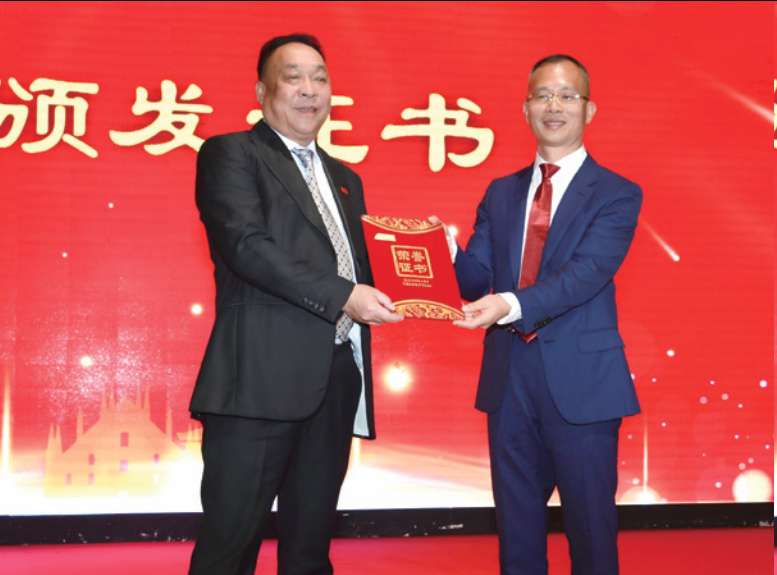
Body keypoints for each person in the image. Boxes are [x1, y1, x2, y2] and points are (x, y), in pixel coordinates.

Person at [187, 33, 402, 575]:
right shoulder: (232, 154)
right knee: (229, 546)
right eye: (294, 77)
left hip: (334, 381)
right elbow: (246, 246)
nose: (310, 90)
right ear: (263, 91)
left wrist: (423, 261)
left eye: (320, 78)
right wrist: (344, 296)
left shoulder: (346, 179)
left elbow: (357, 268)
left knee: (309, 549)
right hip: (256, 384)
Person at [449, 54, 642, 574]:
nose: (554, 106)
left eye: (567, 95)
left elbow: (587, 273)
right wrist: (442, 249)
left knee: (591, 529)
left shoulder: (618, 193)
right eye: (542, 95)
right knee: (517, 530)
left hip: (583, 381)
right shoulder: (501, 191)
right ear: (525, 108)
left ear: (589, 109)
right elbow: (475, 279)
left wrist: (509, 305)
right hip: (509, 376)